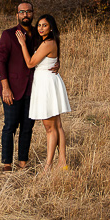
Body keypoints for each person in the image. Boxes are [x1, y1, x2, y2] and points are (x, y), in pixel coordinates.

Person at [16, 13, 71, 172]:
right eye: (39, 25)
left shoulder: (48, 43)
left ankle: (48, 166)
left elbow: (30, 63)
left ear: (51, 27)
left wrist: (22, 44)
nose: (40, 28)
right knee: (58, 125)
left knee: (50, 128)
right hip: (49, 81)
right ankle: (63, 162)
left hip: (46, 84)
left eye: (44, 25)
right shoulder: (49, 42)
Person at [0, 2, 39, 171]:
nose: (25, 15)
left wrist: (55, 64)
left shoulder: (39, 33)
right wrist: (5, 87)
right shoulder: (8, 34)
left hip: (33, 88)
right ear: (17, 15)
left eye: (28, 12)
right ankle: (7, 163)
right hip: (12, 89)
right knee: (10, 126)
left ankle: (23, 163)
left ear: (33, 14)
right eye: (22, 12)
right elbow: (1, 62)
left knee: (28, 127)